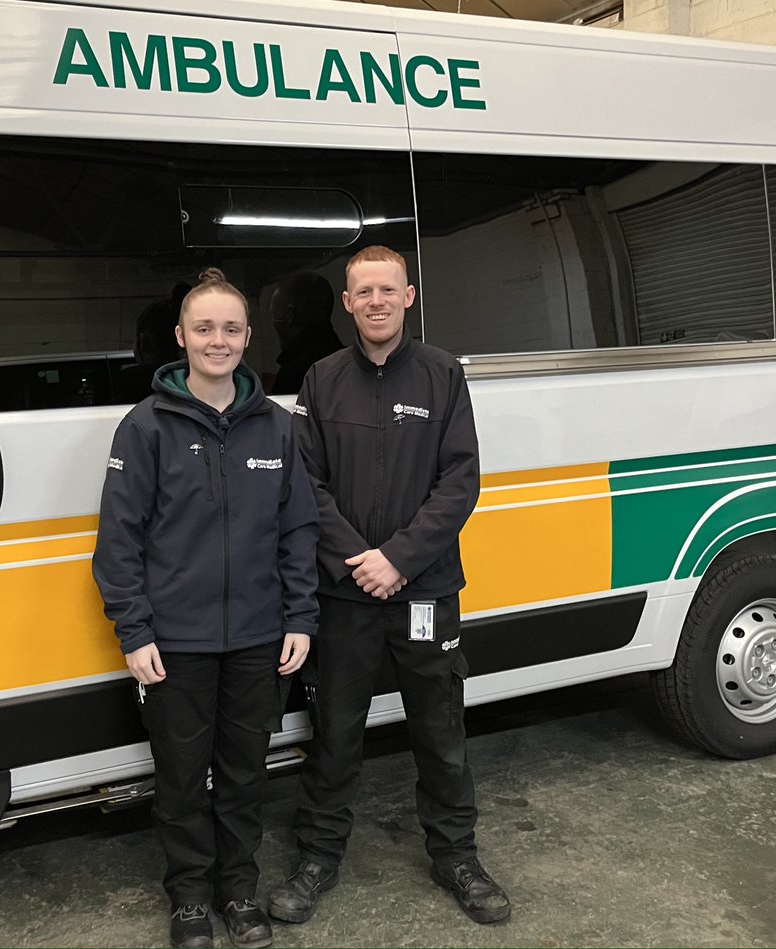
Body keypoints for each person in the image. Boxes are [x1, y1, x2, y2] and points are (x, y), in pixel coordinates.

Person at [268, 246, 510, 926]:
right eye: (362, 290)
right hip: (344, 596)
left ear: (407, 297)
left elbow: (460, 480)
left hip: (425, 590)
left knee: (440, 729)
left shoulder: (443, 375)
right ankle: (318, 855)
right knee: (335, 731)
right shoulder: (320, 380)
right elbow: (304, 484)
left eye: (387, 289)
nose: (375, 300)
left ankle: (457, 854)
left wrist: (399, 559)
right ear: (346, 303)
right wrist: (355, 559)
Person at [93, 268, 319, 949]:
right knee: (183, 778)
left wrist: (301, 617)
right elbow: (118, 542)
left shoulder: (275, 428)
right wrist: (134, 630)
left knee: (246, 774)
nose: (216, 340)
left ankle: (238, 889)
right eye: (203, 328)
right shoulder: (145, 427)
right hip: (176, 643)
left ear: (248, 337)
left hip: (258, 638)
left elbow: (299, 528)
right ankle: (191, 897)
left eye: (229, 328)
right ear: (180, 337)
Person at [268, 271, 344, 395]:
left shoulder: (293, 374)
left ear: (289, 315)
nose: (273, 323)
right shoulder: (348, 364)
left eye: (273, 314)